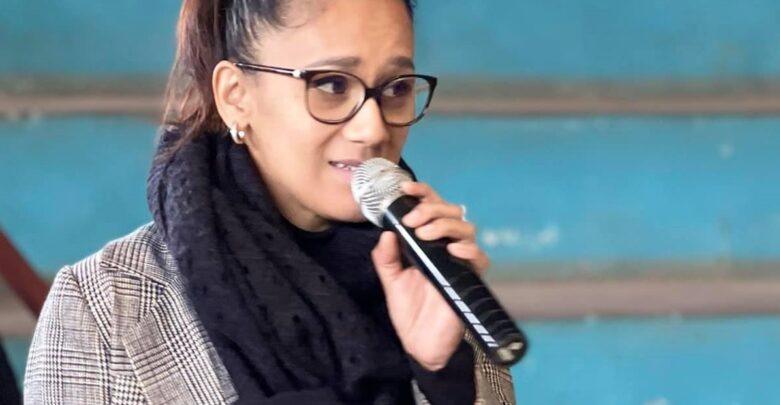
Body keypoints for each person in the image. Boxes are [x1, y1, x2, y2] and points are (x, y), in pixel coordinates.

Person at [24, 0, 516, 403]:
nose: (373, 128)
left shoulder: (437, 277)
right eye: (331, 85)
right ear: (236, 95)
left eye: (397, 88)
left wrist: (442, 376)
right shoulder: (104, 307)